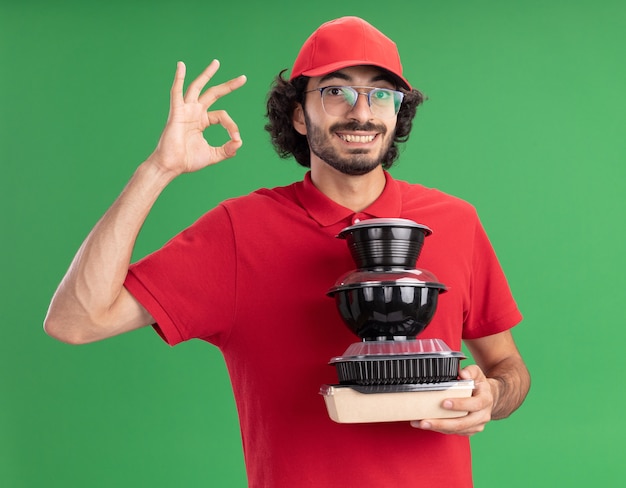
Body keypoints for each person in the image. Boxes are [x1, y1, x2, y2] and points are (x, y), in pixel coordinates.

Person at [44, 16, 530, 487]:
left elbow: (509, 368)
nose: (361, 112)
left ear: (397, 110)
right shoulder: (238, 231)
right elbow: (76, 321)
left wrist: (491, 396)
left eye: (381, 93)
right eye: (336, 91)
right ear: (299, 114)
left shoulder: (454, 221)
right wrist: (158, 169)